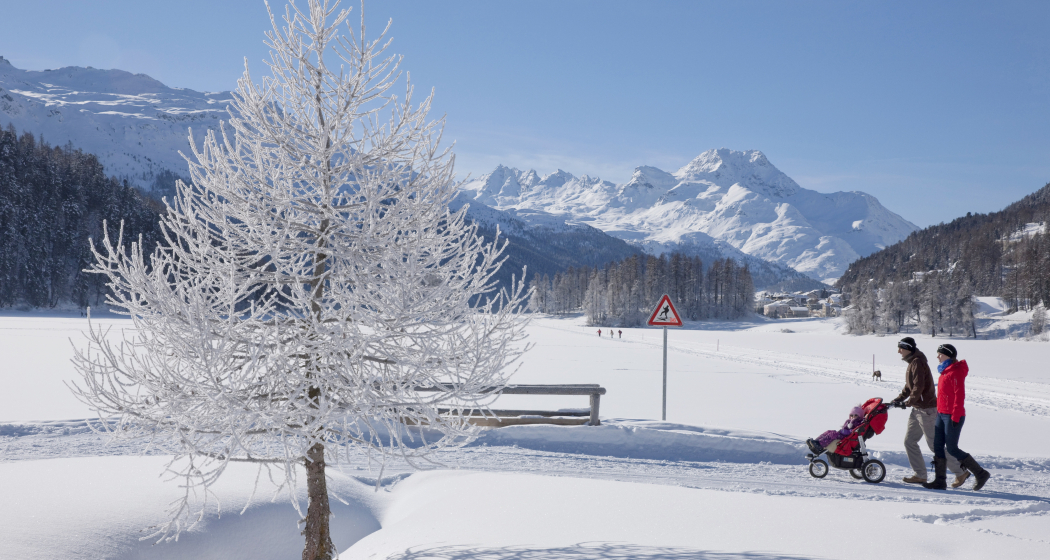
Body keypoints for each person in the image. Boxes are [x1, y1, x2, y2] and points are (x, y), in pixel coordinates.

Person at [890, 337, 968, 486]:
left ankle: (961, 472)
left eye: (901, 348)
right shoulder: (913, 362)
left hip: (926, 410)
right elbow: (910, 386)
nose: (899, 351)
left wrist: (909, 402)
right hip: (917, 409)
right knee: (909, 442)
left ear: (908, 349)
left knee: (934, 445)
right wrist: (899, 399)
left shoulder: (918, 362)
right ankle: (920, 474)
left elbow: (918, 386)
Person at [923, 344, 992, 491]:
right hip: (941, 414)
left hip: (953, 416)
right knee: (937, 447)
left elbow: (959, 396)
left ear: (948, 355)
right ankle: (940, 481)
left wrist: (955, 415)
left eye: (940, 354)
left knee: (952, 448)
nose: (937, 357)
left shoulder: (956, 372)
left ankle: (981, 474)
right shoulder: (944, 371)